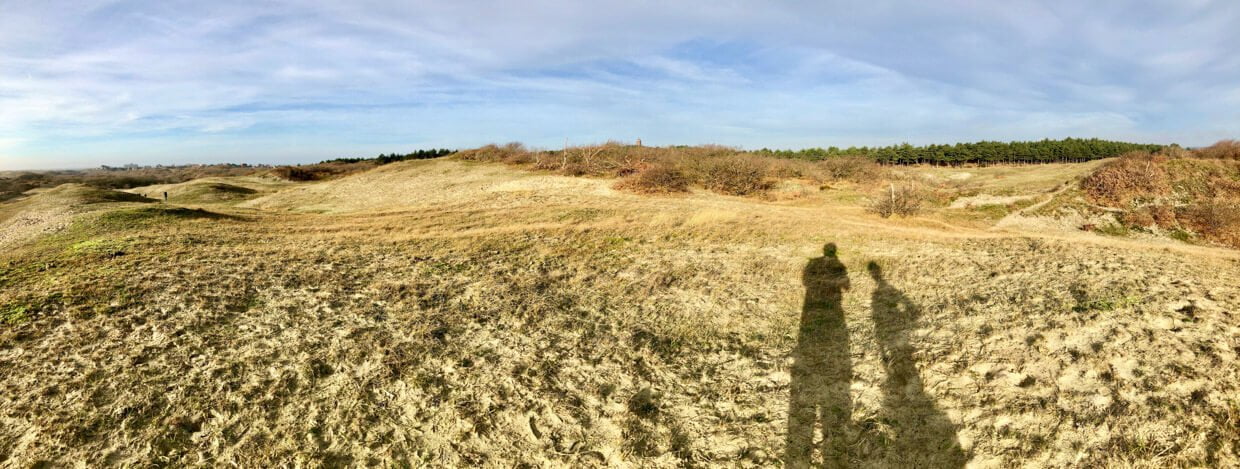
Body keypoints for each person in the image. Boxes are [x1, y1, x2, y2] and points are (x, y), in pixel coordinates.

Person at [786, 243, 853, 468]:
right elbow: (847, 287)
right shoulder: (838, 266)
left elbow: (807, 281)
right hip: (828, 311)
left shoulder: (816, 264)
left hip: (815, 309)